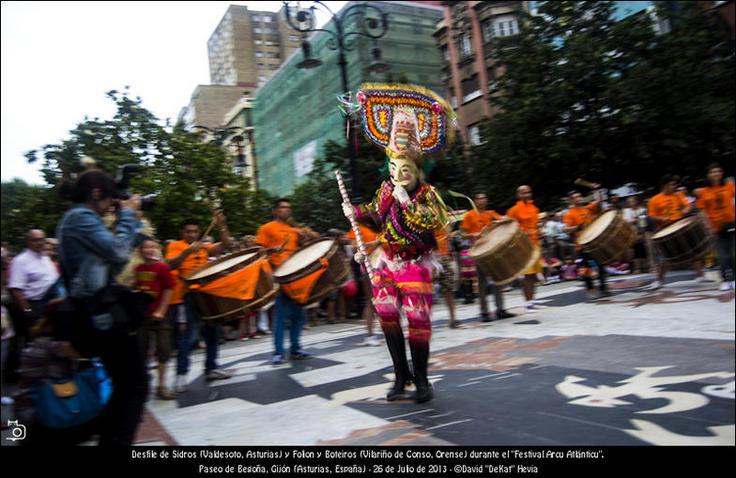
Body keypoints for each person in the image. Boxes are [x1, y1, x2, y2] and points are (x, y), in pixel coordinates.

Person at [342, 83, 455, 403]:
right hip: (386, 261)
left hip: (416, 263)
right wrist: (355, 211)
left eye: (404, 168)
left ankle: (421, 380)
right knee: (387, 315)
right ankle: (400, 376)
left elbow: (435, 222)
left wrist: (407, 202)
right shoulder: (386, 190)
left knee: (418, 320)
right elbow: (375, 216)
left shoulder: (427, 194)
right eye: (393, 168)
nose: (398, 174)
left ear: (418, 169)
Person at [55, 167, 147, 447]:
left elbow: (114, 260)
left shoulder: (79, 220)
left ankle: (110, 439)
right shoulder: (80, 217)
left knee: (128, 386)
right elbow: (119, 252)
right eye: (110, 199)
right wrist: (129, 216)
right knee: (134, 386)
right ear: (96, 193)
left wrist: (123, 221)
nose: (111, 205)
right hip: (100, 313)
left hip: (100, 311)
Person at [165, 216, 233, 394]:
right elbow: (169, 264)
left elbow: (225, 246)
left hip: (206, 293)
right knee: (188, 336)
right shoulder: (175, 246)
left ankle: (211, 368)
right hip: (188, 296)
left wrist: (221, 226)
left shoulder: (204, 247)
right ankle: (180, 376)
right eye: (188, 232)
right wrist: (186, 252)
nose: (192, 234)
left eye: (195, 232)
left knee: (213, 332)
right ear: (182, 232)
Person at [256, 198, 317, 365]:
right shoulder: (266, 228)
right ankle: (278, 352)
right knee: (281, 317)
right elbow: (257, 251)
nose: (286, 210)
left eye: (288, 208)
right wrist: (270, 250)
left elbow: (304, 248)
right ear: (275, 211)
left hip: (296, 277)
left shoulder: (293, 229)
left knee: (298, 316)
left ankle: (296, 348)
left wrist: (308, 236)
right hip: (279, 276)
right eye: (282, 207)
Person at [7, 229, 61, 375]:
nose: (40, 242)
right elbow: (16, 289)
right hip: (34, 305)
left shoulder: (45, 258)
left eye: (42, 239)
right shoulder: (21, 260)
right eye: (35, 240)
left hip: (51, 304)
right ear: (28, 241)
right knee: (36, 343)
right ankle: (29, 376)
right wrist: (28, 311)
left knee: (50, 341)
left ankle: (48, 372)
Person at [460, 192, 516, 321]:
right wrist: (472, 235)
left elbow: (503, 219)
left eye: (484, 198)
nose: (482, 200)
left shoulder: (490, 213)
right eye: (479, 198)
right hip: (479, 251)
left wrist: (507, 218)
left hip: (492, 250)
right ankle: (484, 312)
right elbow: (462, 233)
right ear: (475, 201)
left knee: (498, 280)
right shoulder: (469, 215)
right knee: (482, 283)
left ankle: (500, 309)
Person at [647, 175, 706, 290]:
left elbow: (688, 205)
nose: (674, 187)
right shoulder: (654, 199)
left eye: (674, 184)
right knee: (665, 256)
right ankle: (659, 281)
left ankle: (701, 275)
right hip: (665, 230)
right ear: (664, 186)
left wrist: (685, 210)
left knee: (692, 250)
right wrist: (662, 219)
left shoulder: (678, 195)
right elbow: (651, 216)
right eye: (672, 184)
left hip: (680, 225)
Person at [134, 238, 176, 400]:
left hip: (159, 315)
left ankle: (162, 385)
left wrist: (161, 310)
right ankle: (144, 385)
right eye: (146, 247)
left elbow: (168, 289)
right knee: (142, 350)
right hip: (142, 315)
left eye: (152, 247)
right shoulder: (138, 268)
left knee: (163, 349)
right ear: (140, 250)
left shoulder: (162, 267)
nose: (149, 250)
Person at [563, 190, 610, 299]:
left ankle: (603, 288)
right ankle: (590, 288)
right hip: (581, 244)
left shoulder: (588, 208)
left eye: (580, 195)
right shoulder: (569, 214)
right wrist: (576, 227)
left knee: (601, 264)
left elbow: (599, 201)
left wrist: (597, 190)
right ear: (571, 200)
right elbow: (565, 229)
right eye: (575, 197)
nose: (579, 198)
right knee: (585, 268)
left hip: (593, 241)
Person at [696, 164, 735, 291]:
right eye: (713, 171)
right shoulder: (704, 192)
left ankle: (733, 279)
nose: (716, 173)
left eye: (718, 171)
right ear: (708, 175)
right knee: (722, 255)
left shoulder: (729, 186)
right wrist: (707, 227)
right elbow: (701, 211)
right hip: (715, 228)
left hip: (731, 224)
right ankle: (725, 280)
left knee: (732, 254)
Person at [507, 185, 545, 313]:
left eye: (528, 192)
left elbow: (536, 225)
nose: (526, 195)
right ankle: (527, 303)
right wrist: (523, 233)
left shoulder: (534, 208)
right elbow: (510, 229)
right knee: (527, 276)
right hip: (523, 246)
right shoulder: (513, 210)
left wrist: (540, 230)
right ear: (518, 195)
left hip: (535, 244)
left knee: (534, 275)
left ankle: (532, 300)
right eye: (523, 193)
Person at [345, 224, 382, 344]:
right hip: (369, 266)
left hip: (386, 265)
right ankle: (370, 336)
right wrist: (374, 243)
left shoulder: (381, 223)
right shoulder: (356, 227)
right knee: (371, 300)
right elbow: (353, 245)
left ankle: (393, 331)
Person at [622, 196, 649, 274]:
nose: (630, 203)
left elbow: (642, 223)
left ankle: (645, 267)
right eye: (629, 202)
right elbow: (625, 222)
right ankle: (637, 268)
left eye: (632, 201)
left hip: (640, 232)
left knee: (643, 249)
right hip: (630, 233)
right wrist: (635, 220)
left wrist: (634, 221)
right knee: (633, 251)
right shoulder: (626, 211)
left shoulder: (642, 210)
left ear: (636, 201)